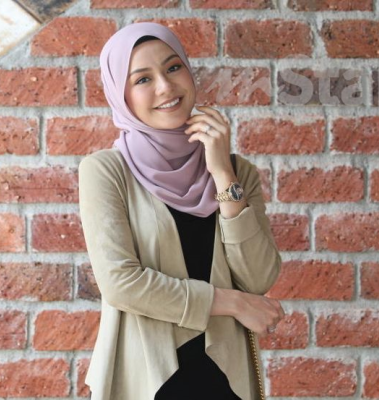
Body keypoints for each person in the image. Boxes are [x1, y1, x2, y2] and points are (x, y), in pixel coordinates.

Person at [78, 22, 284, 400]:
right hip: (146, 382)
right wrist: (232, 302)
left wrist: (222, 173)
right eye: (143, 79)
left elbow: (257, 279)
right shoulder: (106, 171)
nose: (165, 86)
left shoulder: (238, 172)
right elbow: (121, 283)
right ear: (121, 94)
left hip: (227, 381)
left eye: (173, 67)